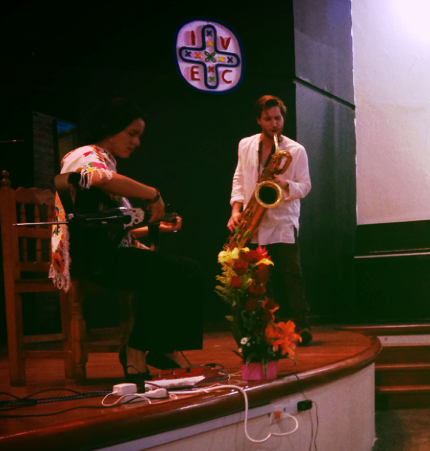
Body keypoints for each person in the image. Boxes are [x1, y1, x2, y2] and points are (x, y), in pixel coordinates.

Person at [49, 98, 204, 382]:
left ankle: (165, 347)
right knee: (164, 270)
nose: (137, 142)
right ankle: (137, 350)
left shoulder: (109, 162)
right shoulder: (84, 154)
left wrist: (161, 228)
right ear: (109, 128)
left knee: (190, 269)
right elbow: (99, 179)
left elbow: (116, 231)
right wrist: (153, 194)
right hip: (87, 257)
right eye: (131, 134)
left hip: (108, 252)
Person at [228, 95, 313, 344]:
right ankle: (265, 328)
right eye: (268, 119)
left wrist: (284, 183)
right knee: (259, 279)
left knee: (292, 275)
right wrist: (236, 210)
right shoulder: (245, 144)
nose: (274, 123)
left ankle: (302, 327)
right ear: (259, 120)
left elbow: (305, 186)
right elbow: (239, 177)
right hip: (254, 219)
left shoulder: (295, 150)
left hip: (283, 220)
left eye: (278, 118)